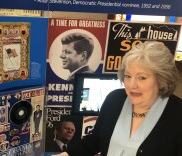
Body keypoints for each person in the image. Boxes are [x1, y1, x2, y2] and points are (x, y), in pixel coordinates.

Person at [53, 41, 182, 156]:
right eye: (128, 76)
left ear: (161, 80)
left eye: (142, 77)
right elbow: (95, 140)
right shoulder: (115, 99)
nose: (132, 85)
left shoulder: (177, 114)